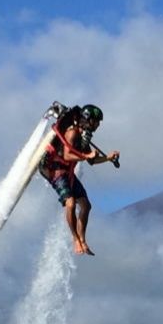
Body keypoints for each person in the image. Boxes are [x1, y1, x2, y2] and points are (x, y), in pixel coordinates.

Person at [39, 104, 119, 256]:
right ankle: (75, 239)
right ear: (88, 120)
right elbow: (68, 155)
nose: (98, 125)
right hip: (55, 170)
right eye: (96, 121)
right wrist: (86, 156)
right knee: (69, 203)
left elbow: (92, 161)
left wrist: (108, 158)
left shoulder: (83, 138)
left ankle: (82, 239)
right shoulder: (72, 132)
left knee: (86, 205)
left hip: (67, 172)